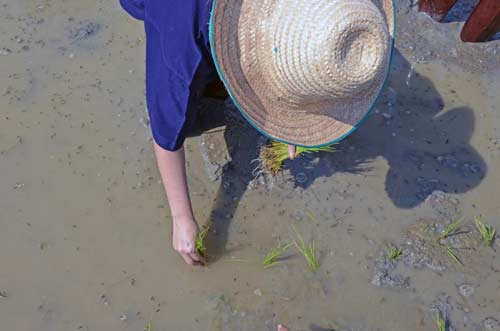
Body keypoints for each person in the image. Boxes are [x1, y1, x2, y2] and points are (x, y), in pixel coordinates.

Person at [120, 0, 395, 266]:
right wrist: (181, 219)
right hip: (178, 14)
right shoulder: (184, 47)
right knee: (187, 121)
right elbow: (165, 135)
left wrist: (294, 119)